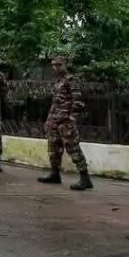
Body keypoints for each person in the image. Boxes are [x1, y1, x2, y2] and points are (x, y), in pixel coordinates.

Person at [38, 56, 93, 190]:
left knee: (73, 148)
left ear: (65, 65)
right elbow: (56, 102)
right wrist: (49, 120)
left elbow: (77, 101)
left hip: (65, 121)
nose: (56, 67)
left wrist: (72, 118)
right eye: (54, 65)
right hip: (54, 121)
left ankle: (85, 178)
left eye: (59, 65)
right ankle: (55, 174)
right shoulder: (58, 81)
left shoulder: (71, 80)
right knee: (54, 149)